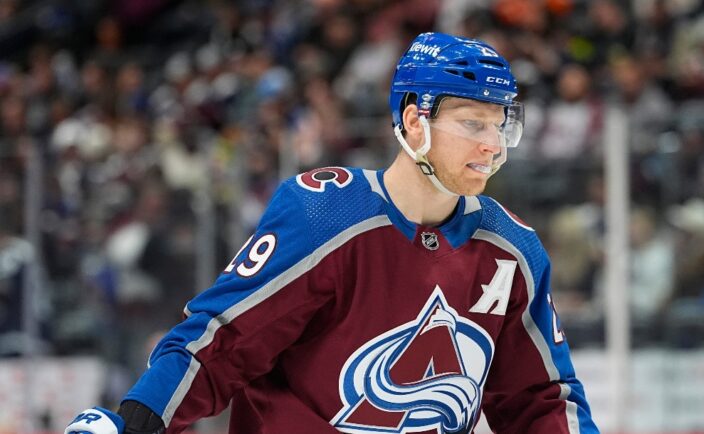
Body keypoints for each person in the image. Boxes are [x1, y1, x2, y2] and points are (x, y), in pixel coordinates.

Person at [65, 32, 599, 434]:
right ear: (415, 121)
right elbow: (220, 340)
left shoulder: (511, 251)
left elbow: (542, 396)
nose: (492, 143)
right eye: (472, 123)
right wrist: (133, 422)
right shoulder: (325, 216)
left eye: (500, 123)